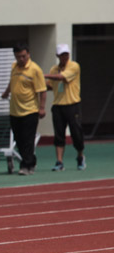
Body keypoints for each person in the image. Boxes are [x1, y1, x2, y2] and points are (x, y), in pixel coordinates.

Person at [1, 43, 47, 175]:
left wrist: (42, 108)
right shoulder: (14, 67)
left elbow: (42, 91)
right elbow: (12, 82)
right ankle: (31, 160)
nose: (21, 59)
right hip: (15, 111)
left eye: (23, 56)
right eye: (18, 57)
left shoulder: (35, 69)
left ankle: (25, 166)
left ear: (28, 54)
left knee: (28, 139)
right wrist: (6, 92)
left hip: (30, 110)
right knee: (19, 139)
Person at [44, 43, 85, 171]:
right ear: (58, 56)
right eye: (62, 55)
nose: (65, 57)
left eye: (66, 54)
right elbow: (51, 85)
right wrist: (37, 85)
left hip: (72, 105)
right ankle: (59, 161)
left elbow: (62, 78)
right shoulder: (53, 69)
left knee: (76, 134)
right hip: (58, 106)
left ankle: (80, 155)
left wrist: (43, 75)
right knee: (59, 134)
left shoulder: (74, 66)